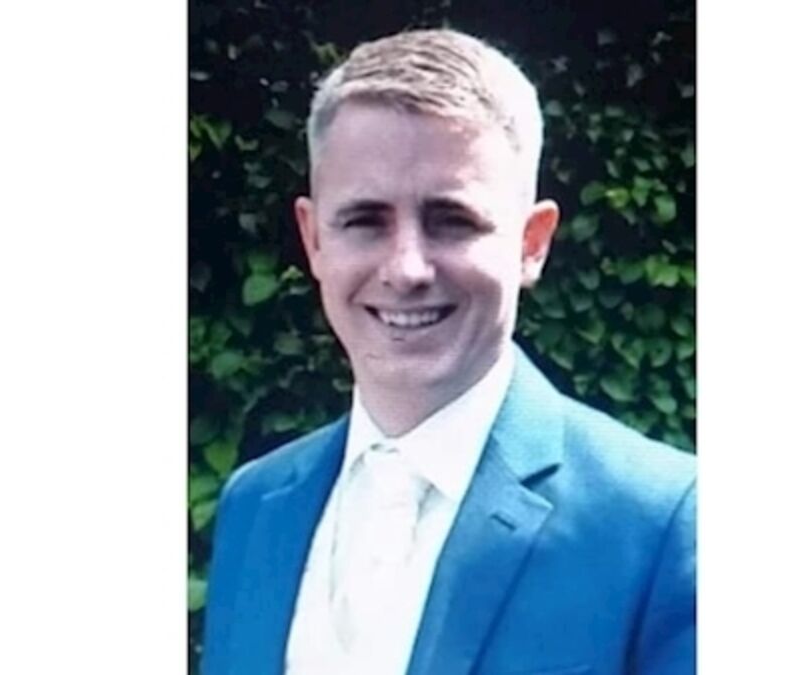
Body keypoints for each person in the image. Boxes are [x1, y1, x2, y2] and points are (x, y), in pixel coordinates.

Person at [201, 28, 696, 675]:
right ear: (313, 237)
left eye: (453, 220)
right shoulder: (255, 505)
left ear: (531, 243)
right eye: (365, 220)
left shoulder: (660, 523)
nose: (406, 268)